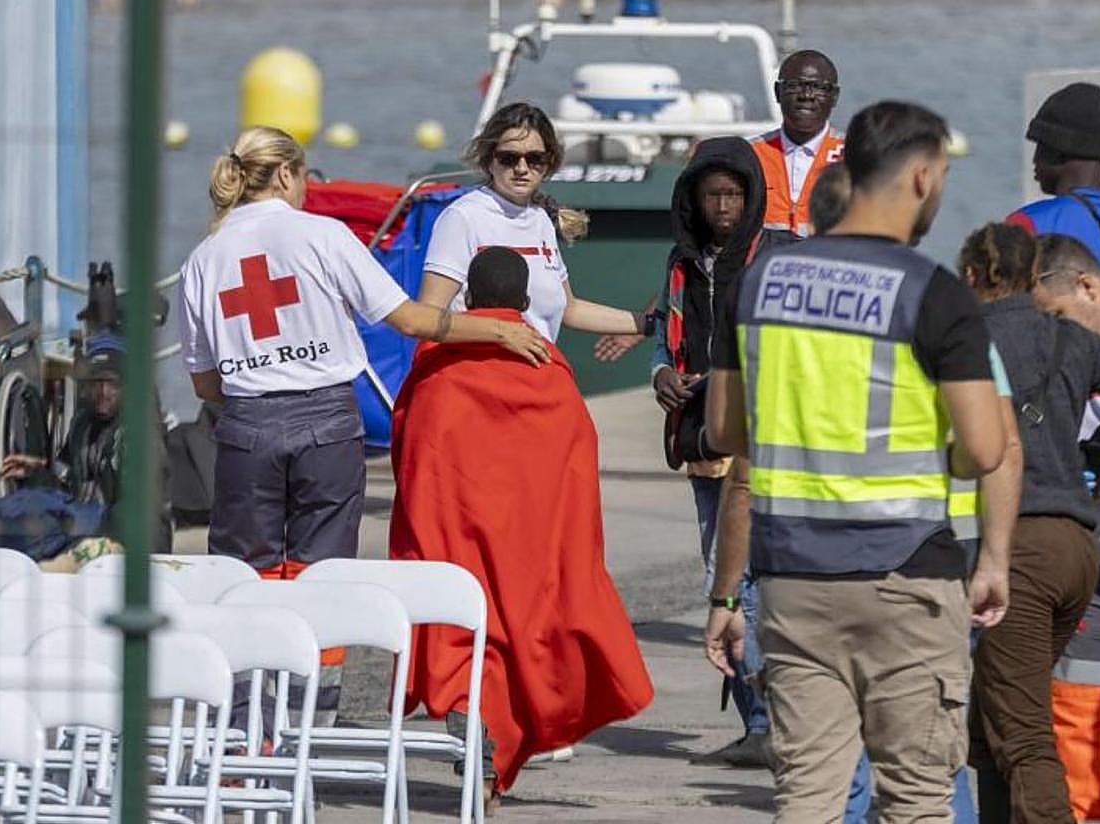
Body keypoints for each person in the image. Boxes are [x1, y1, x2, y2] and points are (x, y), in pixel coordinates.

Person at [704, 100, 1011, 822]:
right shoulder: (935, 294)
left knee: (808, 795)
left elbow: (722, 430)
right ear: (922, 177)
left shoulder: (757, 286)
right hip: (906, 576)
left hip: (793, 578)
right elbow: (985, 449)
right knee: (914, 798)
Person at [178, 125, 549, 579]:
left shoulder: (202, 258)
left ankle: (252, 650)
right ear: (287, 175)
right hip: (327, 426)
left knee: (243, 575)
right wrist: (498, 330)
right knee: (321, 573)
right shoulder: (324, 235)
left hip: (247, 429)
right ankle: (316, 652)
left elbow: (205, 383)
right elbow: (411, 320)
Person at [391, 246, 654, 811]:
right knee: (517, 643)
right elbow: (576, 462)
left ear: (467, 300)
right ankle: (487, 768)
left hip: (453, 540)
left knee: (463, 640)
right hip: (530, 547)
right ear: (527, 303)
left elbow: (411, 453)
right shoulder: (549, 370)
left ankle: (476, 759)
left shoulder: (437, 365)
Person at [957, 222, 1100, 824]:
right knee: (993, 716)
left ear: (974, 277)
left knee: (1023, 733)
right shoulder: (1071, 338)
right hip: (1077, 547)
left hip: (1017, 546)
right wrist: (1096, 450)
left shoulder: (969, 339)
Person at [651, 136, 792, 767]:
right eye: (712, 196)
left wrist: (721, 380)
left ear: (753, 197)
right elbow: (665, 339)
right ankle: (757, 721)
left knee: (742, 584)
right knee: (725, 578)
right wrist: (664, 376)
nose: (724, 208)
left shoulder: (776, 257)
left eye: (734, 195)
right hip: (703, 444)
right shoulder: (682, 265)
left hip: (765, 441)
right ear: (694, 201)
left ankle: (767, 721)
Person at [419, 101, 654, 344]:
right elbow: (428, 317)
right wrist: (502, 334)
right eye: (509, 158)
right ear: (490, 160)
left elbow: (570, 309)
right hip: (479, 374)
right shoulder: (463, 217)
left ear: (548, 162)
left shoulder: (540, 219)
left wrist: (649, 324)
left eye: (534, 159)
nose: (522, 168)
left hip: (534, 375)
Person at [1027, 233, 1100, 823]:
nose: (1056, 336)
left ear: (1087, 286)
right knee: (1079, 715)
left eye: (1058, 318)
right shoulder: (1075, 359)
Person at [0, 331, 174, 554]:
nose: (102, 392)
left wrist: (74, 519)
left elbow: (139, 512)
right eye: (95, 383)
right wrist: (37, 471)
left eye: (112, 384)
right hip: (86, 535)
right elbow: (66, 487)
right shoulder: (81, 425)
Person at [1007, 82, 1100, 278]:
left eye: (1040, 146)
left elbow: (999, 304)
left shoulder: (1026, 225)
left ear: (1058, 150)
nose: (1034, 159)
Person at [749, 49, 845, 238]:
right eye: (794, 86)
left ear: (834, 96)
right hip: (765, 265)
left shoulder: (856, 159)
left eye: (818, 87)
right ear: (778, 92)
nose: (807, 95)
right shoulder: (750, 155)